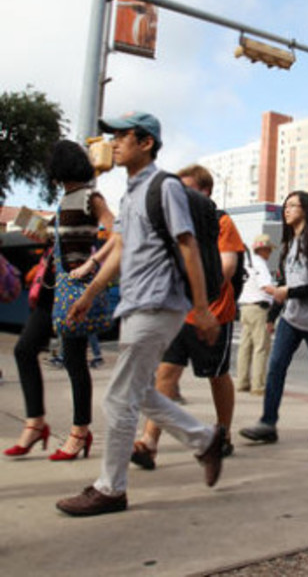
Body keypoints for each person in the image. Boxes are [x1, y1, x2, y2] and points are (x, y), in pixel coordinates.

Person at [55, 113, 224, 517]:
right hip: (134, 304)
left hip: (159, 303)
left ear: (145, 143)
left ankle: (110, 489)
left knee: (118, 397)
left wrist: (202, 308)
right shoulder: (130, 195)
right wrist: (90, 293)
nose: (114, 143)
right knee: (138, 392)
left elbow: (188, 247)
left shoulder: (165, 188)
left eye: (122, 136)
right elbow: (120, 251)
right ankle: (204, 440)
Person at [4, 140, 114, 462]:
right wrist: (41, 232)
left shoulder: (90, 197)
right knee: (25, 350)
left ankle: (80, 432)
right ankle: (36, 423)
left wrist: (93, 264)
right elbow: (61, 239)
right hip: (53, 288)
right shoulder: (64, 199)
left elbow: (117, 230)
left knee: (74, 359)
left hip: (74, 288)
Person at [130, 163, 244, 468]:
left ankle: (223, 433)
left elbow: (227, 266)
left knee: (216, 376)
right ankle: (148, 442)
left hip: (214, 314)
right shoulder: (174, 226)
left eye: (186, 190)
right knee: (166, 374)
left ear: (205, 192)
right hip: (179, 314)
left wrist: (198, 294)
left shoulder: (221, 222)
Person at [240, 190, 308, 444]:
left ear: (306, 210)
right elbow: (285, 283)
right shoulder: (290, 245)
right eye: (285, 206)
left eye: (292, 206)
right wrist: (273, 316)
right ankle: (267, 423)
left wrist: (288, 292)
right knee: (275, 367)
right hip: (291, 317)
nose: (286, 210)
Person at [236, 234, 276, 395]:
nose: (270, 253)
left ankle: (242, 382)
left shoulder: (246, 263)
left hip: (245, 307)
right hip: (259, 308)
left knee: (245, 347)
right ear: (264, 249)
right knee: (261, 347)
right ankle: (258, 385)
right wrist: (280, 293)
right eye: (269, 250)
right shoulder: (260, 264)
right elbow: (266, 286)